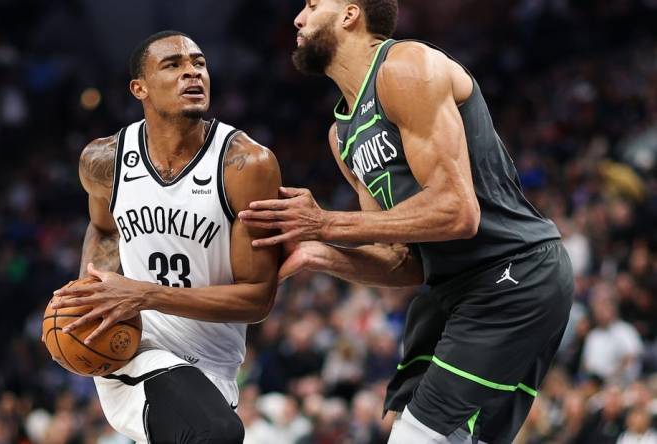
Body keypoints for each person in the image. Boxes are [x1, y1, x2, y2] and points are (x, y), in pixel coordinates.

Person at [238, 1, 574, 442]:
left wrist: (325, 224)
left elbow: (458, 211)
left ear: (350, 14)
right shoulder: (342, 136)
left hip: (512, 273)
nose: (298, 19)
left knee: (416, 435)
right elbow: (402, 262)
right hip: (453, 290)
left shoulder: (405, 67)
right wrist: (320, 254)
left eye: (313, 4)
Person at [51, 30, 281, 444]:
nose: (192, 73)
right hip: (134, 344)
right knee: (215, 434)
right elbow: (104, 229)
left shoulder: (246, 164)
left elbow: (257, 299)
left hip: (214, 366)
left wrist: (143, 293)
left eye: (199, 63)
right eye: (173, 65)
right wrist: (93, 298)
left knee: (211, 429)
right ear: (139, 88)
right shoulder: (104, 160)